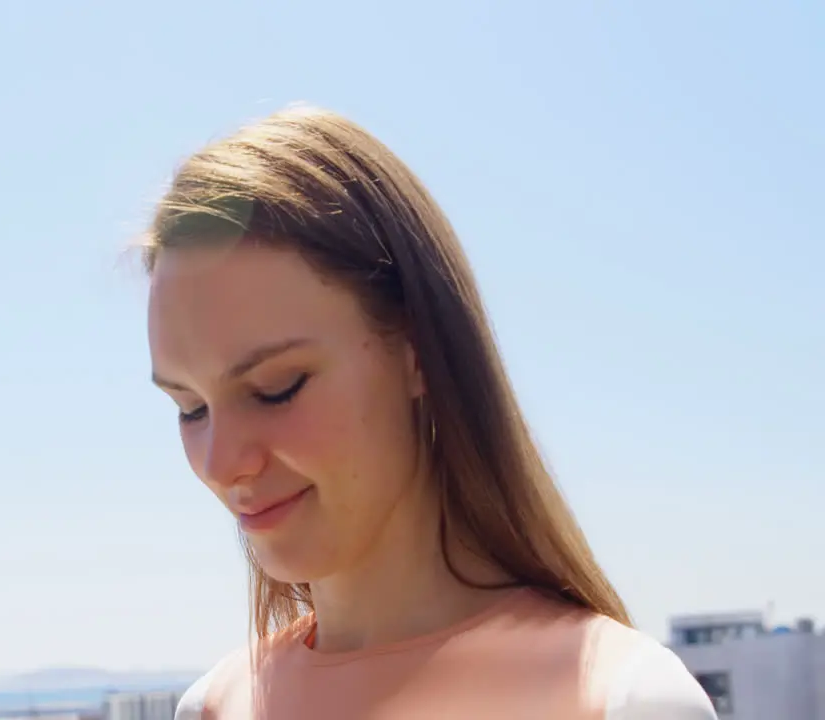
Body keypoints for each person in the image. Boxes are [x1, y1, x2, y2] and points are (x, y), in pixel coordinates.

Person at [142, 106, 716, 719]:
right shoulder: (212, 707)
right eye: (191, 408)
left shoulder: (624, 698)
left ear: (417, 351)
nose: (223, 463)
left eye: (277, 388)